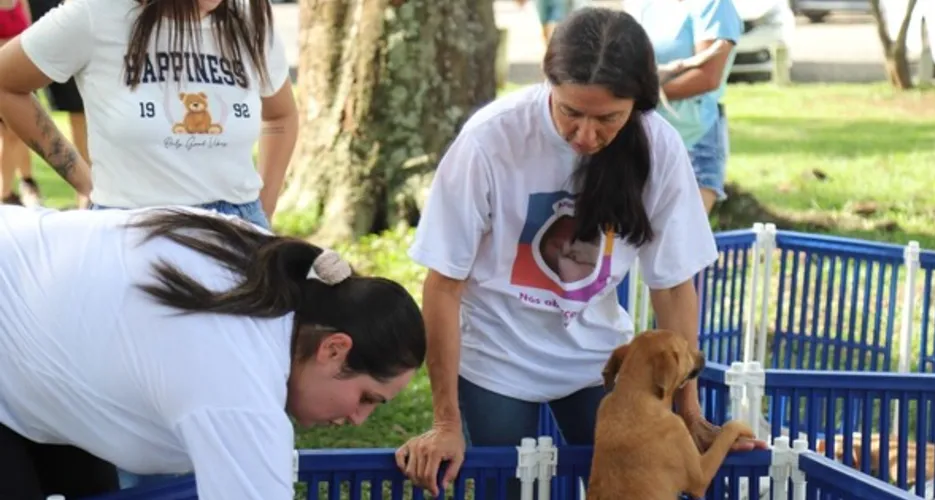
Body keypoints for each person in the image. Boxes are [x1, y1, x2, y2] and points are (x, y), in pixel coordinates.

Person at [394, 7, 765, 498]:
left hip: (597, 357)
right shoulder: (491, 138)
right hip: (496, 353)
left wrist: (688, 412)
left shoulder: (660, 148)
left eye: (608, 117)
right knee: (508, 486)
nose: (586, 135)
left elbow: (673, 285)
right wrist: (446, 421)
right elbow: (444, 284)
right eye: (570, 111)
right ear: (548, 82)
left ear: (638, 102)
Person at [0, 205, 426, 499]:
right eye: (368, 398)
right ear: (334, 349)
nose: (358, 418)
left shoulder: (276, 273)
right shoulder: (239, 384)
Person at [0, 0, 297, 227]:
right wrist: (84, 181)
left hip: (238, 231)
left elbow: (281, 116)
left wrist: (261, 211)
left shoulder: (251, 16)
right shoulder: (97, 12)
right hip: (132, 230)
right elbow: (7, 83)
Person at [624, 0, 743, 213]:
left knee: (680, 238)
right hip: (644, 139)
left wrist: (638, 94)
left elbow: (708, 77)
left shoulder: (715, 5)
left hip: (693, 143)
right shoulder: (646, 5)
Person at [25, 0, 91, 208]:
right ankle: (25, 185)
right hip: (29, 25)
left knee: (79, 110)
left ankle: (87, 191)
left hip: (72, 23)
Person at [0, 0, 36, 207]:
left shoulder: (21, 1)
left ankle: (15, 189)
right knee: (9, 134)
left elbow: (31, 37)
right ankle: (5, 194)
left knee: (18, 135)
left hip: (21, 79)